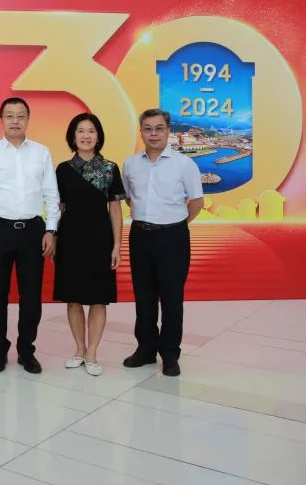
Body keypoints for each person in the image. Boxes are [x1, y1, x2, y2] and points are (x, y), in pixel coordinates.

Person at [0, 97, 59, 374]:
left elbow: (51, 194)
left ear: (27, 120)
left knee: (31, 295)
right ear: (1, 120)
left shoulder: (41, 152)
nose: (15, 121)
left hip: (33, 231)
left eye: (20, 116)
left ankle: (26, 351)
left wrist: (51, 229)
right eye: (9, 116)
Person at [122, 109, 204, 377]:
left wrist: (175, 223)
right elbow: (129, 198)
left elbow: (197, 202)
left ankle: (169, 354)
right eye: (148, 129)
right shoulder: (130, 164)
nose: (153, 134)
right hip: (140, 235)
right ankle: (145, 349)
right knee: (143, 296)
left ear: (168, 131)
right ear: (141, 132)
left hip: (173, 236)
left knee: (171, 297)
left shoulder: (184, 164)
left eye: (159, 128)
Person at [53, 112, 125, 377]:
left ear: (98, 137)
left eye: (91, 131)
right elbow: (59, 207)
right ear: (73, 137)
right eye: (81, 131)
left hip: (100, 240)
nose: (86, 136)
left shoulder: (109, 168)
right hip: (70, 239)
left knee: (98, 299)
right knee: (72, 299)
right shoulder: (63, 169)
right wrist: (54, 238)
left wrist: (116, 246)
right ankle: (79, 349)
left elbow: (115, 209)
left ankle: (93, 352)